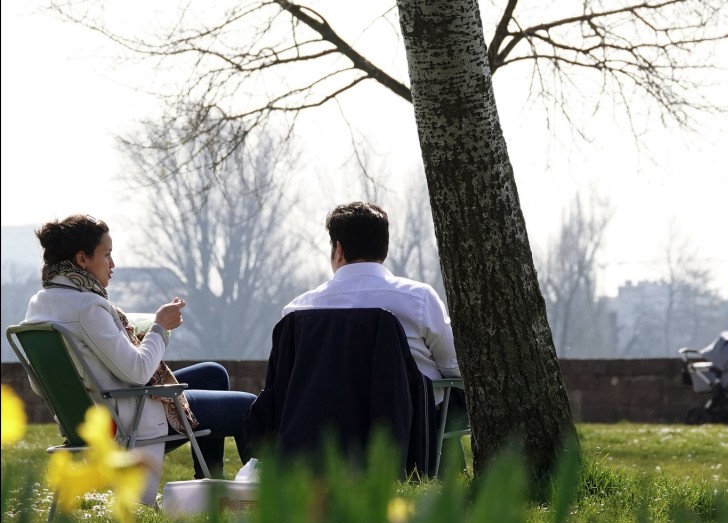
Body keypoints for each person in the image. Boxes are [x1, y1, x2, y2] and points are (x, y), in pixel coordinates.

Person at [24, 215, 256, 504]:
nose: (113, 265)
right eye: (106, 255)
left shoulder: (42, 303)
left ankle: (211, 485)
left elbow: (41, 383)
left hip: (98, 408)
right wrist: (159, 326)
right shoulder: (89, 306)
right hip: (131, 414)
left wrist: (132, 331)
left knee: (214, 374)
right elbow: (137, 372)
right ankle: (258, 500)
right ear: (82, 259)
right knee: (250, 407)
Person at [282, 201, 461, 388]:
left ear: (339, 250)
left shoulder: (297, 311)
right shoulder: (419, 300)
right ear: (384, 248)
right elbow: (455, 367)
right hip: (409, 416)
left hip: (319, 416)